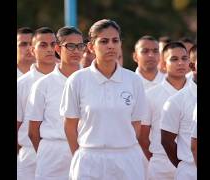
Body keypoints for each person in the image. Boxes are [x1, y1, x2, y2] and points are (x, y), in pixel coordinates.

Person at [60, 19, 148, 180]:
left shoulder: (133, 80)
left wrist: (120, 147)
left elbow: (136, 124)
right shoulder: (77, 80)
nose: (111, 46)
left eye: (115, 41)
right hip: (89, 160)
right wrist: (82, 155)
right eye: (104, 41)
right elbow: (70, 125)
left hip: (127, 159)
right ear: (91, 46)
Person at [26, 26, 85, 180]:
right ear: (58, 48)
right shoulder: (42, 85)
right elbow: (33, 131)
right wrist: (49, 153)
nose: (76, 51)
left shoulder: (91, 81)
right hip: (53, 157)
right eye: (70, 46)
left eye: (80, 46)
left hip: (86, 153)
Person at [139, 42, 190, 180]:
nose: (180, 63)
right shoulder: (150, 95)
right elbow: (143, 137)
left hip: (191, 165)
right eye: (174, 59)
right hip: (161, 167)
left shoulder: (194, 93)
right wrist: (155, 158)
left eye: (184, 58)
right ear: (162, 64)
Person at [17, 27, 57, 180]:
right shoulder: (21, 84)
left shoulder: (70, 80)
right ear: (33, 50)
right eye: (43, 45)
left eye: (53, 44)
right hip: (29, 157)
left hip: (63, 154)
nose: (49, 49)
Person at [160, 42, 197, 180]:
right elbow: (166, 140)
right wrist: (185, 164)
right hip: (190, 171)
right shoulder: (176, 101)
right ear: (192, 66)